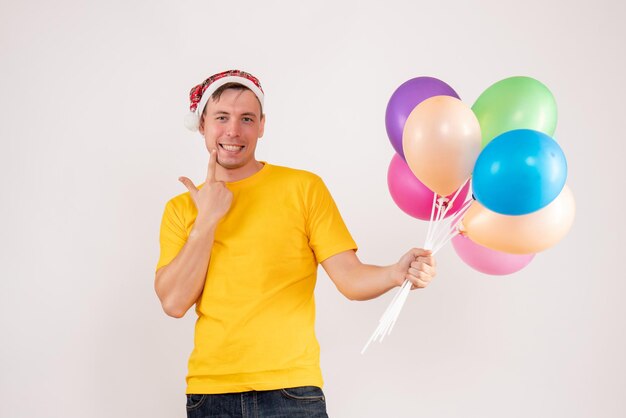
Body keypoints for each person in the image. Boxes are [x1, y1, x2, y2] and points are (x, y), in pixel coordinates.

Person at [155, 69, 437, 418]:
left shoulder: (303, 188)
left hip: (291, 393)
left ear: (262, 125)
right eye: (221, 118)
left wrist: (396, 273)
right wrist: (207, 220)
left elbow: (350, 278)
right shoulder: (181, 209)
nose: (233, 131)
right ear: (202, 125)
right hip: (211, 395)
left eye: (246, 118)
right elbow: (173, 302)